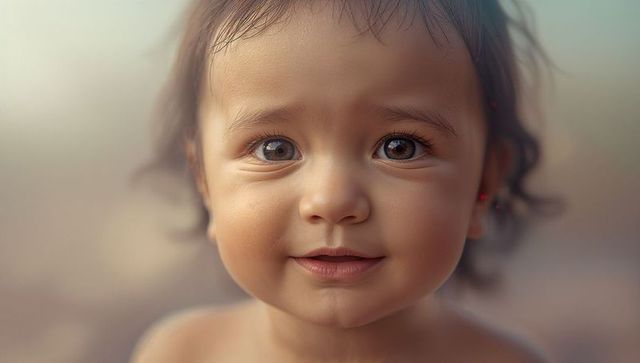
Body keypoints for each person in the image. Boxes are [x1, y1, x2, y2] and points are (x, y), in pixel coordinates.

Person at [132, 0, 557, 361]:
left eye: (399, 148)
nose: (332, 200)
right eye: (274, 149)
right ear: (204, 179)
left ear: (485, 181)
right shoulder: (181, 353)